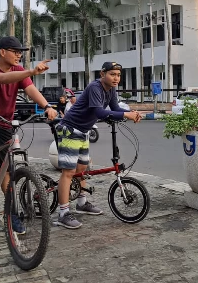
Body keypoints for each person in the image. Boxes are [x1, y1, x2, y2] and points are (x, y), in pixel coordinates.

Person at [0, 36, 58, 234]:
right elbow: (2, 79)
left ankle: (11, 213)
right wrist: (31, 71)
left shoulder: (19, 72)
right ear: (2, 52)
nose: (18, 55)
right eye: (15, 51)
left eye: (20, 52)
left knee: (7, 166)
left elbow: (31, 89)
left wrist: (47, 106)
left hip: (3, 121)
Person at [55, 61, 142, 229]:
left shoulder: (111, 90)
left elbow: (115, 108)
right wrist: (127, 114)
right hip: (69, 129)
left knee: (81, 169)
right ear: (103, 74)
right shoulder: (95, 87)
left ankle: (81, 203)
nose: (116, 78)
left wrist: (130, 113)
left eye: (118, 75)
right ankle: (63, 213)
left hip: (84, 131)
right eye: (112, 74)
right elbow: (99, 112)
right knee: (69, 172)